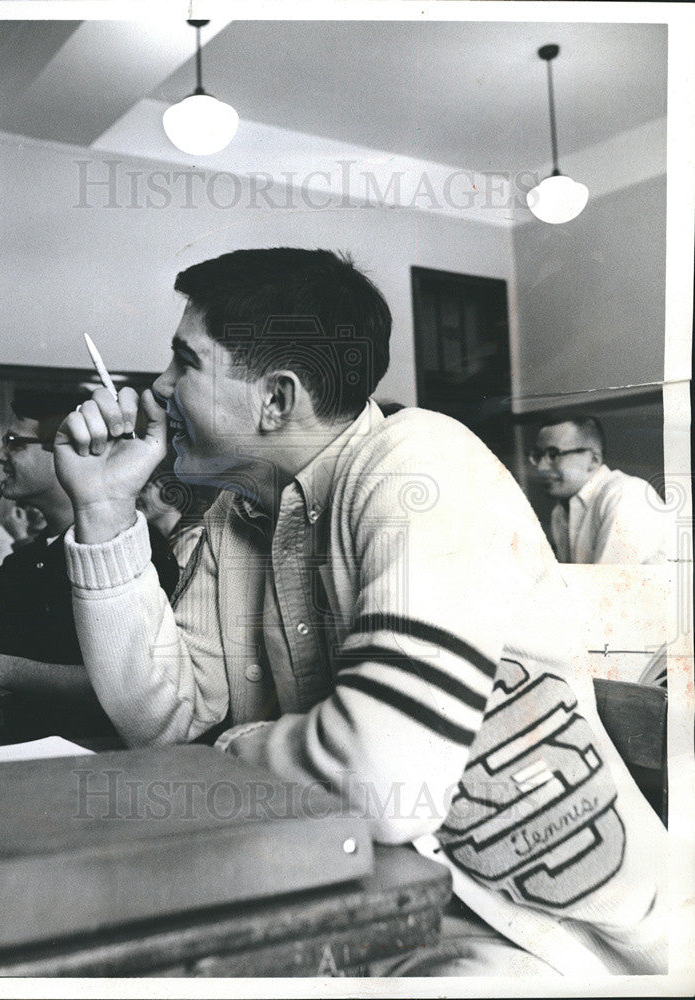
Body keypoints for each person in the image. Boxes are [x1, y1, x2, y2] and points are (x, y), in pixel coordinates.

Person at [54, 249, 666, 976]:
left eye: (184, 361)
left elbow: (380, 780)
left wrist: (228, 748)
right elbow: (167, 722)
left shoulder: (419, 464)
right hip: (365, 906)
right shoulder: (238, 516)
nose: (158, 386)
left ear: (276, 399)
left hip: (553, 942)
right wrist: (102, 507)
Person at [0, 391, 179, 697]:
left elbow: (138, 682)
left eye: (14, 443)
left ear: (67, 449)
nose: (0, 455)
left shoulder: (132, 548)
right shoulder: (30, 560)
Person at [529, 416, 667, 564]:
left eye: (553, 454)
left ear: (593, 460)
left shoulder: (625, 495)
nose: (540, 468)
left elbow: (609, 583)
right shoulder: (559, 512)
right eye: (537, 456)